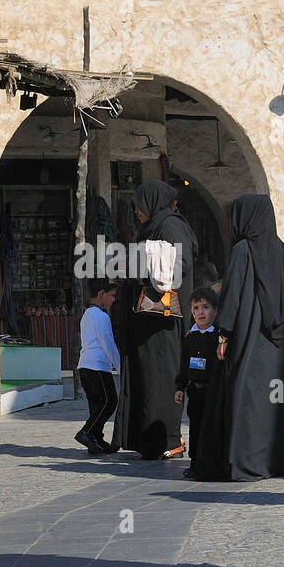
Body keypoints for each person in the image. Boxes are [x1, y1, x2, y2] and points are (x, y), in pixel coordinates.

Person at [191, 199, 284, 482]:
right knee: (276, 400)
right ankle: (279, 461)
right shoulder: (282, 250)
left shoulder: (243, 251)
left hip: (249, 341)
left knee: (245, 399)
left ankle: (247, 462)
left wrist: (224, 334)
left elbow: (233, 296)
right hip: (277, 344)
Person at [112, 179, 196, 460]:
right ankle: (149, 439)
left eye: (139, 206)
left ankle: (170, 437)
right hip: (149, 323)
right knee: (148, 377)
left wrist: (137, 262)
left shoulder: (171, 226)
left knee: (162, 377)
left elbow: (177, 267)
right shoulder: (154, 228)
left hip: (164, 322)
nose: (136, 212)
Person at [173, 287, 221, 465]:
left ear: (215, 310)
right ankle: (195, 461)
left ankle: (210, 460)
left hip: (212, 390)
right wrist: (180, 386)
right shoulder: (190, 336)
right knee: (195, 426)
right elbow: (185, 363)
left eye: (205, 307)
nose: (200, 312)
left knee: (211, 428)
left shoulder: (218, 337)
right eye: (196, 308)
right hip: (195, 390)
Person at [75, 279, 121, 455]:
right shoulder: (101, 316)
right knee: (109, 402)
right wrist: (119, 366)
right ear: (102, 294)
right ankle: (86, 432)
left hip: (86, 365)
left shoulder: (87, 314)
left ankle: (96, 438)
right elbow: (107, 343)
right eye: (112, 295)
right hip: (97, 366)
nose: (113, 299)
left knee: (96, 405)